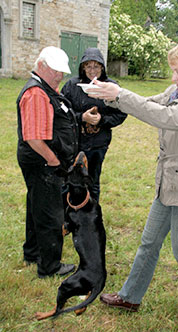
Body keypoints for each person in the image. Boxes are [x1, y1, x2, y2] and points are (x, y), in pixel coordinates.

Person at [87, 38, 178, 318]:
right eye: (173, 71)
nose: (173, 78)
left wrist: (120, 94)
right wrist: (110, 96)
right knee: (149, 242)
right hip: (168, 183)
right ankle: (129, 297)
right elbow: (149, 104)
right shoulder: (177, 90)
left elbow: (165, 117)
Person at [17, 46, 78, 278]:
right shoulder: (36, 94)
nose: (60, 76)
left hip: (41, 162)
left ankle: (32, 253)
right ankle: (50, 266)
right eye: (55, 71)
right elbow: (34, 138)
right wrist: (54, 162)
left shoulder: (45, 89)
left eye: (62, 72)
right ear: (41, 66)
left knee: (36, 207)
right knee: (51, 213)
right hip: (42, 163)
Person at [61, 48, 127, 202]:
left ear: (102, 67)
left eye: (96, 66)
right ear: (83, 67)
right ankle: (68, 214)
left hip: (98, 144)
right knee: (70, 180)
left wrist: (101, 120)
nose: (92, 70)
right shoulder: (72, 85)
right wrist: (81, 117)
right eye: (88, 66)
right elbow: (62, 110)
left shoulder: (111, 86)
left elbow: (121, 113)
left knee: (93, 182)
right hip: (75, 142)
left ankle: (91, 217)